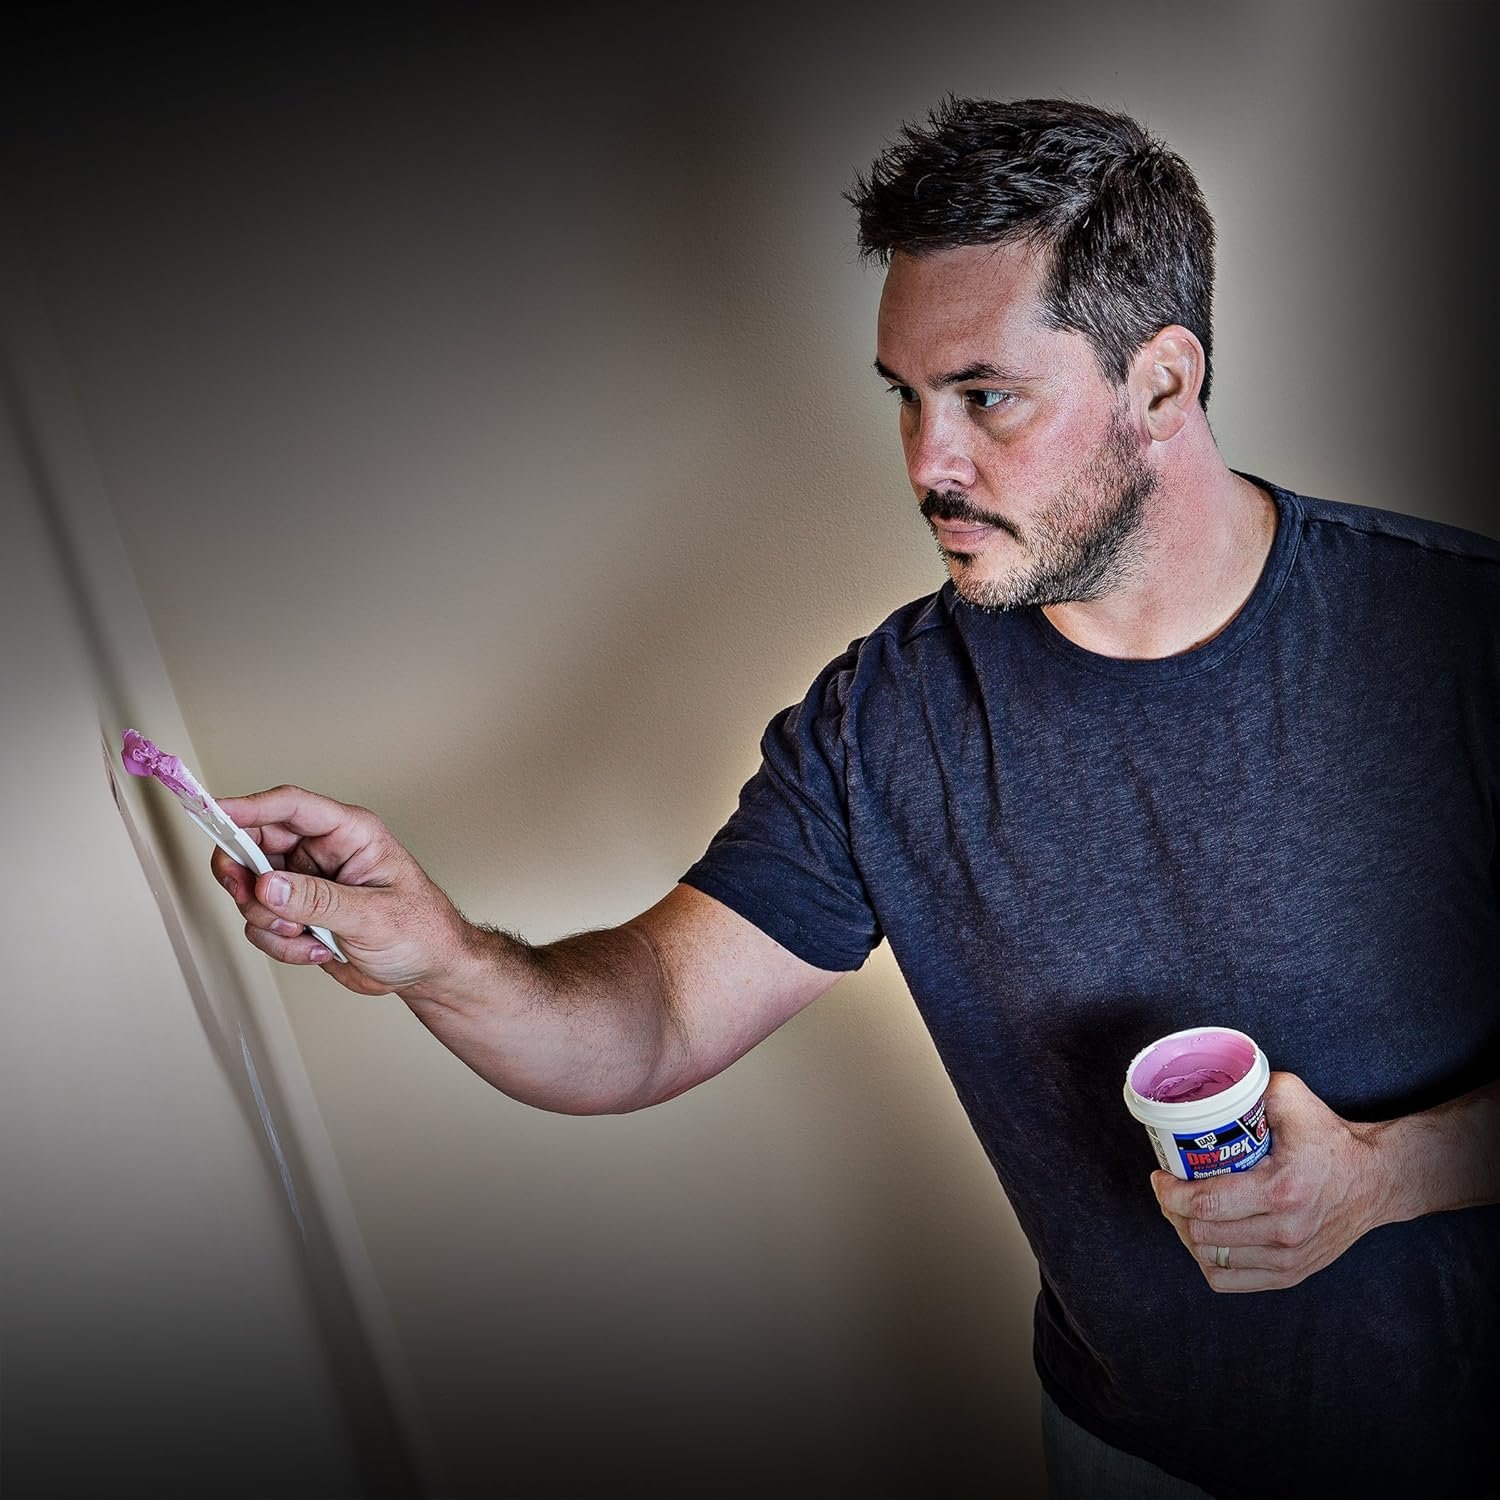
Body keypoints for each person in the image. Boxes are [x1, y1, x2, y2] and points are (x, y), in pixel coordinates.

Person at [212, 97, 1499, 1498]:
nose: (926, 462)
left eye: (985, 395)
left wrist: (1384, 1174)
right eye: (905, 395)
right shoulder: (886, 721)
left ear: (1162, 384)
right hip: (1134, 1454)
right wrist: (443, 957)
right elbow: (652, 1020)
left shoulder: (1449, 636)